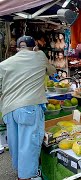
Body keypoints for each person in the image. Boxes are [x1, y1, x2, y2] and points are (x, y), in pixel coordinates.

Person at [0, 36, 56, 180]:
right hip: (28, 108)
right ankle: (27, 177)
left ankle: (20, 173)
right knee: (28, 145)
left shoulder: (5, 64)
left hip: (9, 109)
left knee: (16, 144)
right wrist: (38, 52)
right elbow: (51, 71)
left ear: (18, 48)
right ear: (33, 47)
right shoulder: (39, 56)